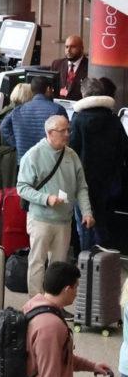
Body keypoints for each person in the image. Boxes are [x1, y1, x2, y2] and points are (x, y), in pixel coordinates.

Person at [18, 117, 94, 296]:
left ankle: (55, 303)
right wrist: (46, 199)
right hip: (40, 220)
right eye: (63, 131)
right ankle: (36, 303)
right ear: (50, 133)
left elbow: (81, 187)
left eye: (68, 130)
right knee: (37, 262)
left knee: (59, 267)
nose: (68, 134)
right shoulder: (34, 155)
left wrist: (87, 212)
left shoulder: (71, 155)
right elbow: (22, 188)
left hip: (64, 221)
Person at [68, 78, 128, 250]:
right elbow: (124, 149)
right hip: (108, 182)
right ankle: (103, 259)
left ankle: (85, 260)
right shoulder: (114, 120)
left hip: (83, 180)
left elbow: (71, 150)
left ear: (84, 95)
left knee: (84, 223)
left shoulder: (78, 120)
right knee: (101, 221)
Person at [1, 76, 67, 161]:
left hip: (24, 160)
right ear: (48, 89)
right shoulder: (57, 109)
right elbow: (66, 133)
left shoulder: (18, 110)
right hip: (49, 160)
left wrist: (17, 142)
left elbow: (4, 126)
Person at [49, 36, 88, 101]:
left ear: (82, 48)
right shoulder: (57, 64)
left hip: (79, 106)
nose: (68, 50)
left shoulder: (89, 67)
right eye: (66, 47)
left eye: (73, 47)